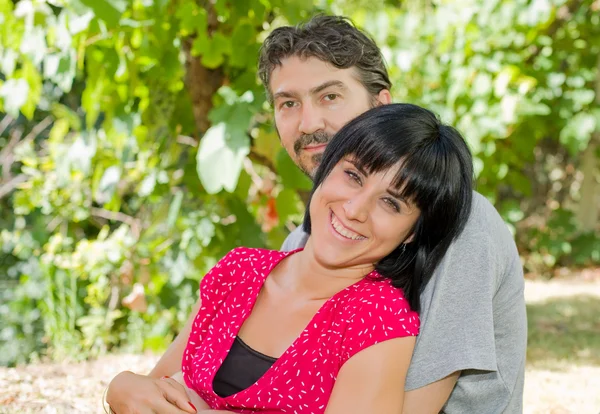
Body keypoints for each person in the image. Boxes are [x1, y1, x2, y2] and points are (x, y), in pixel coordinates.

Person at [107, 14, 527, 414]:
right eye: (288, 103)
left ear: (382, 105)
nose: (309, 122)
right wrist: (124, 386)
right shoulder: (297, 246)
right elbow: (162, 389)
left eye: (330, 96)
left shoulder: (460, 226)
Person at [108, 103, 474, 414]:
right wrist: (121, 389)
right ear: (327, 167)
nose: (355, 208)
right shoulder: (238, 271)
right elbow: (157, 391)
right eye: (353, 175)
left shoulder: (377, 322)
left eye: (391, 203)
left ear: (411, 232)